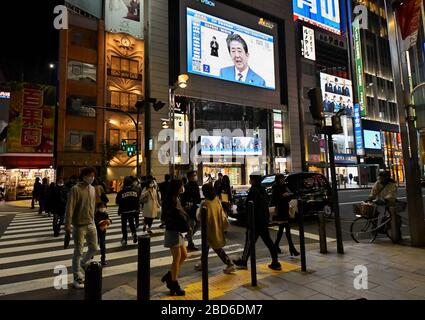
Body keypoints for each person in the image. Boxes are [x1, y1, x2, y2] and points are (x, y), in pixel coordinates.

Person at [233, 173, 282, 271]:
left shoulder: (253, 190)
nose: (250, 181)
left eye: (250, 179)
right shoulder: (262, 190)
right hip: (263, 220)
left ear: (254, 180)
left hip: (255, 221)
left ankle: (243, 261)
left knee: (249, 242)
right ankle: (275, 261)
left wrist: (242, 208)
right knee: (268, 241)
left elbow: (249, 205)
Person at [64, 167, 98, 289]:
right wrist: (67, 225)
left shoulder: (93, 189)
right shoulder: (75, 189)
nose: (91, 178)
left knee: (94, 248)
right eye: (89, 175)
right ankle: (76, 278)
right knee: (78, 251)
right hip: (79, 225)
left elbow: (93, 206)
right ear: (83, 176)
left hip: (91, 223)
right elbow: (70, 208)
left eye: (93, 176)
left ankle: (82, 264)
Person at [194, 184, 235, 274]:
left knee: (216, 248)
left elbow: (199, 217)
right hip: (217, 226)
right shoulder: (217, 200)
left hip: (208, 229)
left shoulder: (205, 203)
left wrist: (198, 210)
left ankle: (230, 264)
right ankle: (203, 263)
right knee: (207, 247)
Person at [161, 179, 190, 296]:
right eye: (181, 186)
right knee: (177, 258)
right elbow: (176, 215)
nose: (182, 188)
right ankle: (173, 284)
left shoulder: (175, 198)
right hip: (172, 230)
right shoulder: (170, 200)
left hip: (177, 231)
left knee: (184, 255)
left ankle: (169, 276)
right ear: (177, 188)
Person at [270, 174, 300, 256]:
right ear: (278, 180)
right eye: (281, 179)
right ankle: (292, 248)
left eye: (283, 179)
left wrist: (288, 195)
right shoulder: (275, 187)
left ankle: (276, 246)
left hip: (285, 209)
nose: (283, 180)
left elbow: (290, 194)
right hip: (279, 210)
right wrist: (282, 196)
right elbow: (274, 200)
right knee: (287, 228)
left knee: (281, 229)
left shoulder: (284, 186)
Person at [181, 171, 201, 251]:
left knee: (199, 223)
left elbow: (198, 198)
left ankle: (189, 236)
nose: (195, 177)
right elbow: (183, 198)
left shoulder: (196, 185)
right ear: (189, 177)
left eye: (195, 175)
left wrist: (196, 202)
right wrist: (187, 204)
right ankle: (190, 243)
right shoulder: (186, 186)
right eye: (194, 175)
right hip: (189, 209)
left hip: (195, 208)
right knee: (191, 225)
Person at [116, 176, 139, 246]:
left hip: (124, 211)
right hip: (133, 210)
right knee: (132, 223)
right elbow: (137, 201)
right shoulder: (135, 192)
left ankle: (125, 239)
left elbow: (117, 202)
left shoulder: (121, 192)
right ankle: (134, 234)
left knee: (124, 225)